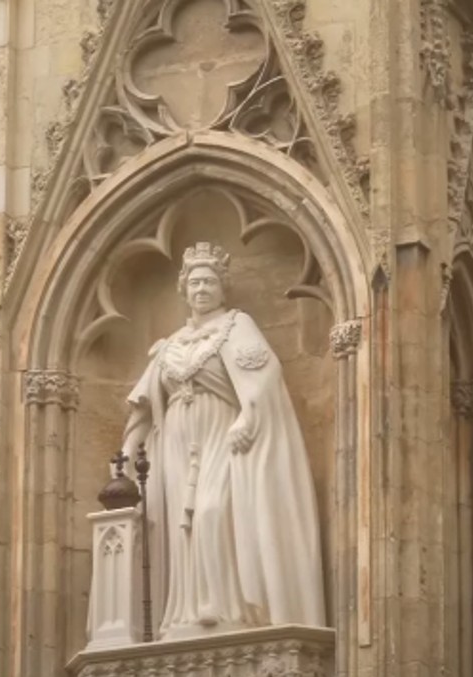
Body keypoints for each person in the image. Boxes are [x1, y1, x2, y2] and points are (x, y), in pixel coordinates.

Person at [121, 242, 326, 640]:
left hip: (224, 433)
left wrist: (249, 415)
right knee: (183, 524)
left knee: (214, 511)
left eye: (210, 282)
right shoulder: (171, 343)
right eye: (195, 282)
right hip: (176, 443)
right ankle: (185, 613)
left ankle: (230, 608)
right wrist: (130, 448)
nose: (202, 289)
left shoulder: (236, 325)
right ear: (184, 289)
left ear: (222, 287)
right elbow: (144, 402)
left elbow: (263, 377)